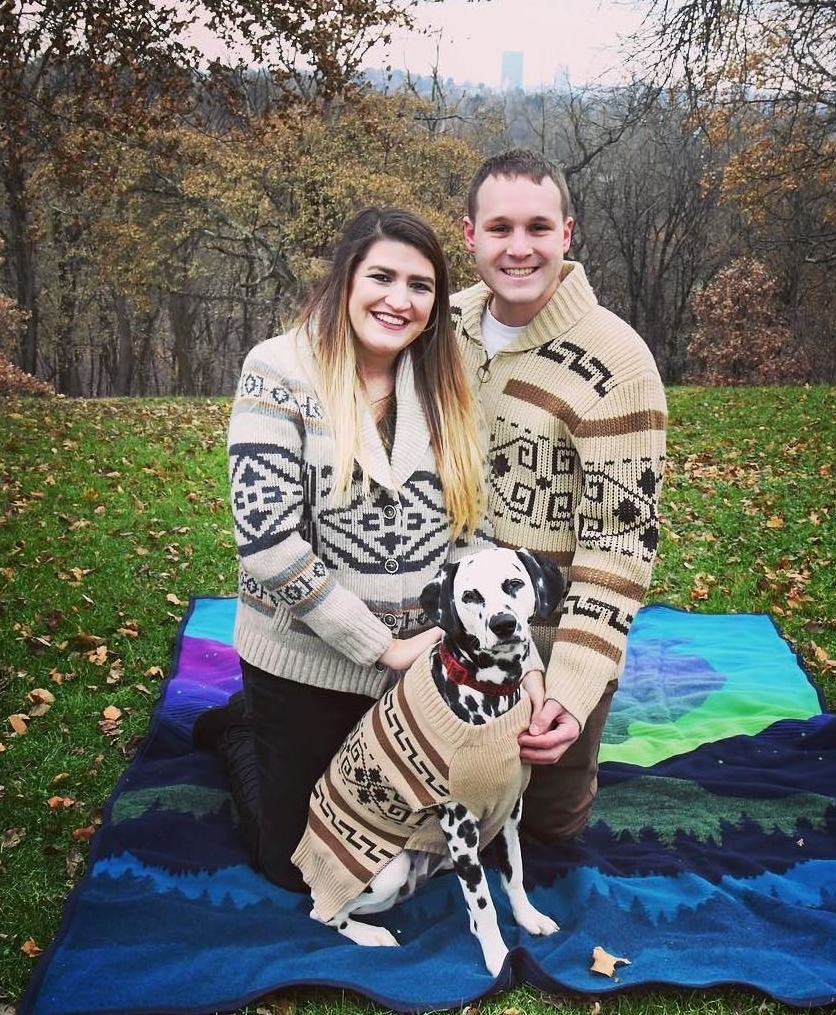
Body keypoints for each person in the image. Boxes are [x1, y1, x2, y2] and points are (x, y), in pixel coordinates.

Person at [195, 207, 493, 891]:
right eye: (382, 276)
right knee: (300, 866)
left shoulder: (446, 381)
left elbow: (469, 526)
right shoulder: (278, 370)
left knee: (431, 838)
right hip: (306, 658)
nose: (400, 299)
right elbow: (266, 542)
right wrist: (380, 647)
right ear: (346, 277)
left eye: (421, 285)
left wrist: (449, 636)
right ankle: (240, 730)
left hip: (422, 660)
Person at [450, 148, 668, 843]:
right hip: (439, 624)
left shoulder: (618, 363)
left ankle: (576, 760)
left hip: (547, 638)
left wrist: (571, 692)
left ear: (567, 234)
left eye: (538, 228)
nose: (519, 248)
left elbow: (620, 549)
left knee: (545, 835)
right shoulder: (437, 326)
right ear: (469, 235)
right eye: (500, 228)